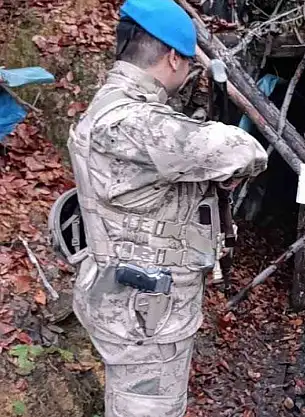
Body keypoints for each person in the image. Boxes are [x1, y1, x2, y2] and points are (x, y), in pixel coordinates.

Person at [61, 0, 268, 415]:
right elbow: (244, 150)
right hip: (145, 314)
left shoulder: (111, 104)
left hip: (127, 299)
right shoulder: (136, 122)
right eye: (188, 65)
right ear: (173, 57)